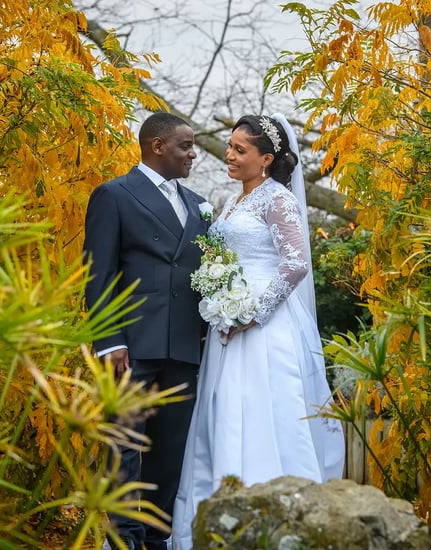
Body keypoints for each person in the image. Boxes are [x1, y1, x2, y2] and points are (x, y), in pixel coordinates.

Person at [171, 114, 346, 549]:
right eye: (230, 146)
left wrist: (254, 313)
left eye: (240, 149)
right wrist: (219, 297)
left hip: (265, 327)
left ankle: (278, 518)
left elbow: (296, 264)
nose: (229, 155)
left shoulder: (278, 200)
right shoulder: (233, 202)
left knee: (263, 409)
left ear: (266, 159)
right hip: (226, 324)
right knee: (224, 410)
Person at [83, 112, 211, 550]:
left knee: (169, 450)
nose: (193, 154)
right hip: (132, 346)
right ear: (157, 146)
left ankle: (157, 539)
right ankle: (124, 538)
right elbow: (98, 275)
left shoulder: (198, 204)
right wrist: (109, 342)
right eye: (185, 146)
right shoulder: (114, 195)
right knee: (123, 444)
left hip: (184, 347)